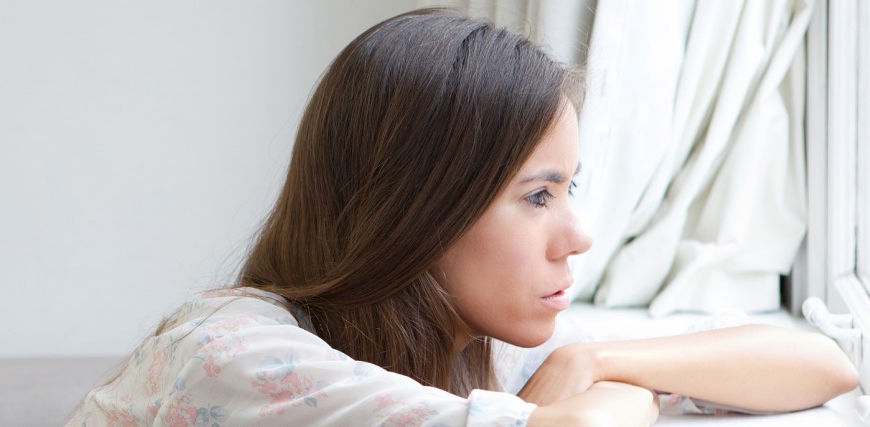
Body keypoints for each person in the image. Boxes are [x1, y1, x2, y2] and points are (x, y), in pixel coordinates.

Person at [67, 8, 857, 426]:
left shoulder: (475, 342)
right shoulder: (234, 354)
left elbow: (821, 364)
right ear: (417, 208)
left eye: (570, 189)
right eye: (537, 195)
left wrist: (602, 360)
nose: (577, 235)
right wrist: (595, 388)